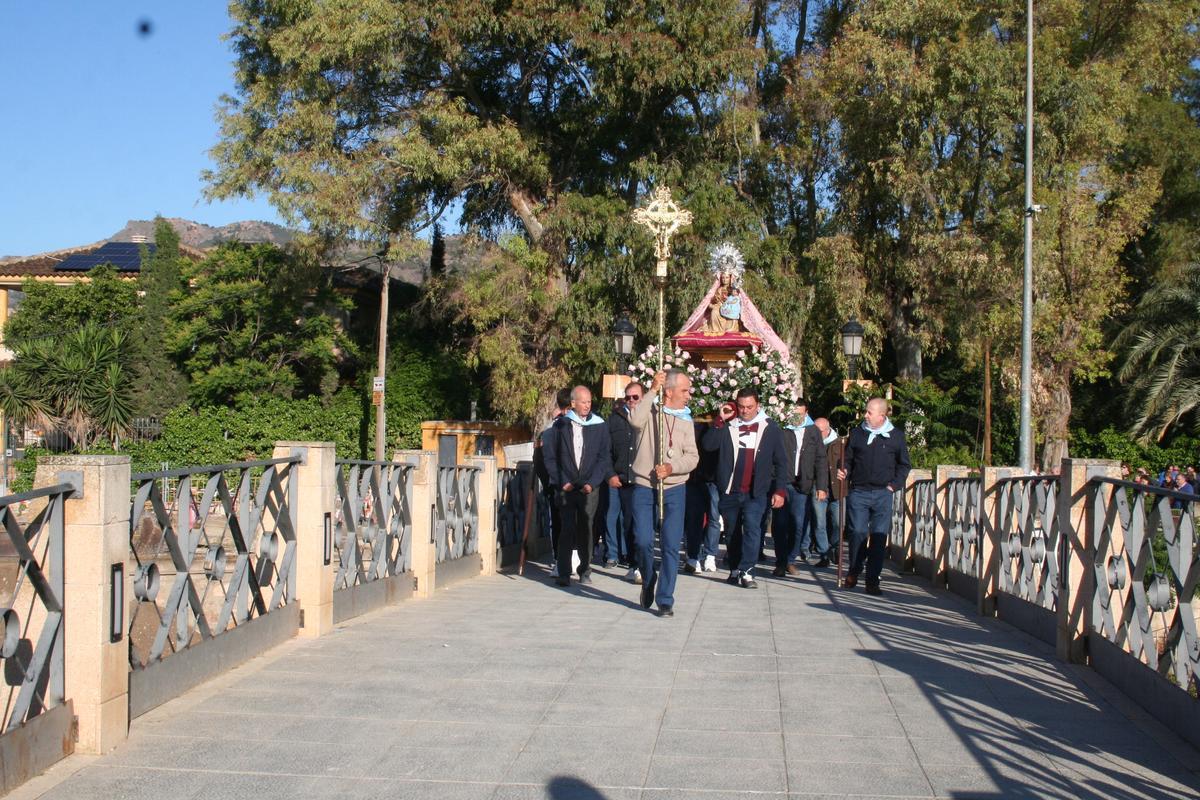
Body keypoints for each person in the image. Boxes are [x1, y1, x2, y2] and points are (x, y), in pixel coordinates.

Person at [628, 369, 699, 617]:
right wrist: (652, 391)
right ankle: (648, 578)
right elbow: (635, 421)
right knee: (643, 540)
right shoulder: (651, 411)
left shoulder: (686, 420)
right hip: (645, 485)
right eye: (684, 390)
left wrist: (672, 467)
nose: (688, 395)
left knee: (670, 545)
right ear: (669, 392)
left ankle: (665, 598)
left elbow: (692, 457)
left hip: (675, 487)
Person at [703, 388, 789, 589]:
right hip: (731, 490)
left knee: (752, 528)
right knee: (732, 532)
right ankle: (734, 568)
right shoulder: (728, 425)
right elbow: (708, 446)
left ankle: (747, 570)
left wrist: (780, 490)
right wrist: (720, 420)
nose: (745, 411)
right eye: (741, 406)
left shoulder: (770, 428)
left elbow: (781, 462)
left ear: (758, 405)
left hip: (756, 491)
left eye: (749, 407)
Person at [837, 398, 911, 596]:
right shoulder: (857, 433)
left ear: (882, 415)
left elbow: (904, 464)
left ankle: (872, 580)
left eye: (870, 412)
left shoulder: (896, 436)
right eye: (866, 411)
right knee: (857, 532)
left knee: (879, 538)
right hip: (859, 491)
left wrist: (893, 486)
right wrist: (843, 469)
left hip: (882, 493)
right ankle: (854, 568)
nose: (865, 415)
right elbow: (848, 460)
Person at [542, 386, 613, 587]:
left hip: (589, 488)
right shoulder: (559, 427)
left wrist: (592, 483)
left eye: (589, 402)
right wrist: (562, 481)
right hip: (566, 487)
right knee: (567, 528)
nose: (587, 406)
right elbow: (550, 457)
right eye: (583, 402)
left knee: (586, 529)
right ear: (573, 403)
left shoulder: (599, 425)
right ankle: (564, 571)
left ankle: (585, 568)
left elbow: (603, 457)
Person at [773, 400, 829, 576]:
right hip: (782, 482)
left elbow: (821, 459)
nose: (796, 417)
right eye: (793, 413)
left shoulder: (813, 432)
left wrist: (821, 486)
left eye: (800, 413)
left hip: (802, 485)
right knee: (780, 524)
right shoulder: (782, 428)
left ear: (806, 413)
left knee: (798, 525)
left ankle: (791, 559)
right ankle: (781, 562)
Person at [533, 388, 572, 576]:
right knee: (558, 521)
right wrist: (549, 483)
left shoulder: (587, 426)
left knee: (571, 522)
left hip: (573, 485)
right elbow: (540, 459)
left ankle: (572, 559)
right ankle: (560, 560)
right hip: (558, 485)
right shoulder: (551, 429)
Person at [605, 382, 642, 570]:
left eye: (636, 397)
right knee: (612, 516)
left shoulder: (649, 418)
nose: (632, 400)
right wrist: (610, 474)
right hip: (616, 476)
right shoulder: (614, 419)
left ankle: (631, 555)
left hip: (638, 479)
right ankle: (612, 554)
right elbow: (605, 450)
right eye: (628, 397)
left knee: (632, 519)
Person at [812, 417, 846, 563]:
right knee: (820, 523)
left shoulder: (841, 443)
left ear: (827, 430)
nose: (816, 434)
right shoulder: (811, 443)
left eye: (819, 431)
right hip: (818, 486)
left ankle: (835, 547)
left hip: (837, 488)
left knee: (839, 523)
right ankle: (824, 554)